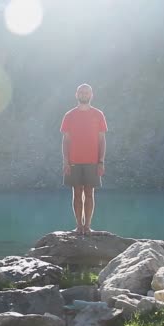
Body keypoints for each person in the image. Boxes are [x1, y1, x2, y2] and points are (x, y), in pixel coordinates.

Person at [60, 84, 107, 235]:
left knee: (89, 193)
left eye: (86, 92)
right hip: (74, 161)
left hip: (92, 161)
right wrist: (65, 161)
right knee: (76, 192)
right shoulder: (69, 115)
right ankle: (78, 226)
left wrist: (101, 161)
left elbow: (102, 140)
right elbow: (65, 140)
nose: (84, 94)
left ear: (91, 94)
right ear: (77, 94)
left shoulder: (98, 114)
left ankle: (87, 226)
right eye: (81, 92)